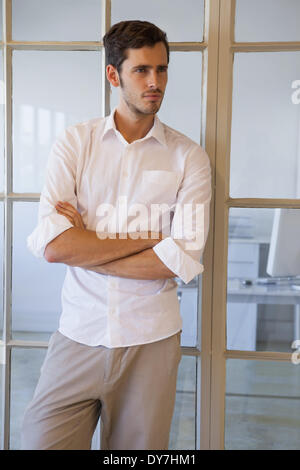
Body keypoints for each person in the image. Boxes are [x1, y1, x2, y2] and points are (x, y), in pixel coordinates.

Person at [21, 20, 211, 450]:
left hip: (151, 343)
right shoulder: (75, 143)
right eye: (142, 70)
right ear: (113, 75)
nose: (155, 82)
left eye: (162, 70)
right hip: (77, 334)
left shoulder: (190, 158)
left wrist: (88, 243)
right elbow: (55, 246)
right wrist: (148, 238)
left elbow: (180, 260)